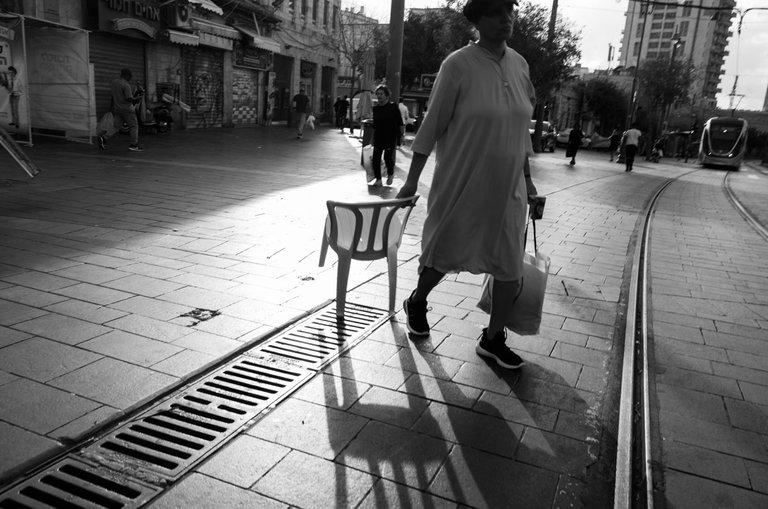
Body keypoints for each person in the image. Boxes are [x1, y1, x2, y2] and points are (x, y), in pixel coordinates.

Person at [396, 0, 536, 370]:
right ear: (476, 20)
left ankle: (492, 339)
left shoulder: (520, 65)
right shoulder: (457, 65)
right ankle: (417, 300)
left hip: (508, 191)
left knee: (509, 267)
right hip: (463, 182)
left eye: (510, 11)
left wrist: (529, 183)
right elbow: (432, 125)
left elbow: (521, 133)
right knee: (445, 254)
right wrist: (410, 181)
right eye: (495, 12)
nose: (506, 19)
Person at [99, 68, 143, 152]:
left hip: (117, 109)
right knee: (134, 126)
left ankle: (104, 138)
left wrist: (111, 106)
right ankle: (134, 145)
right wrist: (137, 98)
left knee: (116, 126)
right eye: (130, 76)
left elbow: (113, 96)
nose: (130, 78)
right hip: (127, 110)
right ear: (126, 75)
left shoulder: (114, 82)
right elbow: (129, 98)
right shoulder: (126, 85)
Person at [370, 85, 403, 186]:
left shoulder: (393, 107)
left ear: (387, 95)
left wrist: (401, 136)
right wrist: (371, 139)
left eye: (381, 94)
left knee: (387, 158)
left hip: (390, 136)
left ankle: (390, 174)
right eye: (378, 94)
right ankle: (378, 180)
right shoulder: (375, 109)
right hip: (378, 136)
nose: (379, 96)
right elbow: (374, 125)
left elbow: (400, 122)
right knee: (376, 158)